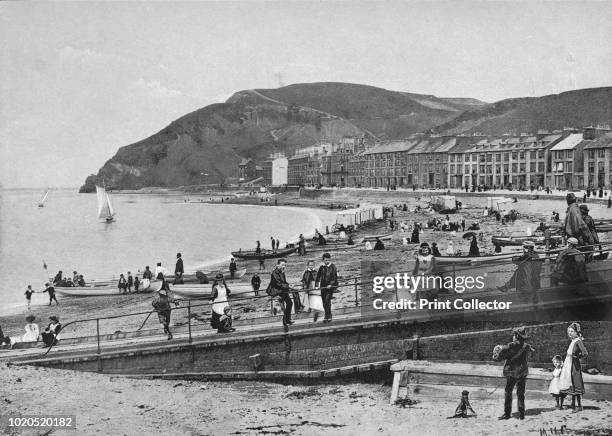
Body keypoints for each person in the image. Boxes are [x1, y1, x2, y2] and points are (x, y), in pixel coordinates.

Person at [498, 326, 533, 420]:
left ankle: (507, 413)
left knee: (508, 392)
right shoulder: (526, 346)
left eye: (514, 335)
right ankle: (522, 414)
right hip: (523, 372)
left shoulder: (511, 345)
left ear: (516, 336)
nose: (513, 336)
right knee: (521, 393)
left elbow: (501, 355)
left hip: (512, 372)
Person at [559, 322, 588, 412]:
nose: (570, 333)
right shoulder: (573, 341)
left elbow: (585, 353)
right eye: (569, 332)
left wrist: (576, 357)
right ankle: (573, 404)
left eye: (572, 331)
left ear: (576, 332)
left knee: (576, 383)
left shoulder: (578, 341)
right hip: (569, 365)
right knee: (571, 383)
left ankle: (579, 406)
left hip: (574, 366)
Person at [267, 259, 293, 326]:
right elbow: (278, 284)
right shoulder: (275, 273)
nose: (283, 266)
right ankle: (285, 321)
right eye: (282, 265)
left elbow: (284, 282)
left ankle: (288, 319)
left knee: (290, 303)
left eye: (284, 265)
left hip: (281, 290)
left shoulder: (282, 272)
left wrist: (289, 285)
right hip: (276, 290)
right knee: (283, 305)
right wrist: (288, 286)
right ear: (278, 265)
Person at [315, 253, 338, 323]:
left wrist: (331, 284)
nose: (327, 261)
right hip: (323, 286)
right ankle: (326, 314)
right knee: (324, 302)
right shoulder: (322, 267)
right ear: (323, 260)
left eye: (328, 260)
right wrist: (316, 285)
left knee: (328, 300)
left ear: (330, 259)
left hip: (330, 287)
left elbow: (334, 277)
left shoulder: (333, 267)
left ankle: (329, 315)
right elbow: (318, 276)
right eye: (325, 260)